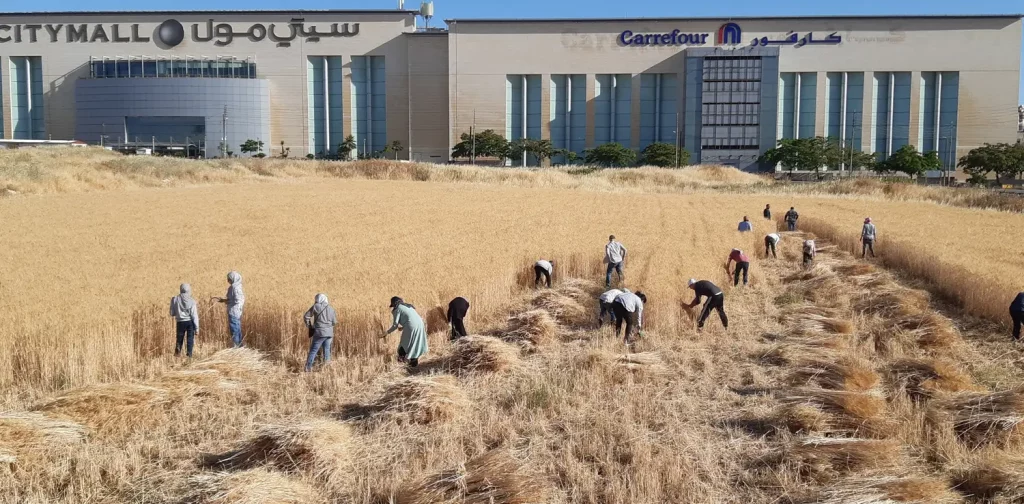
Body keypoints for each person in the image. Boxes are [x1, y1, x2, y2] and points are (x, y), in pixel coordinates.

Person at [383, 296, 428, 367]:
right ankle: (414, 364)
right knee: (415, 343)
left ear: (394, 304)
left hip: (411, 326)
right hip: (420, 324)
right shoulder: (408, 306)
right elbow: (412, 318)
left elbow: (395, 325)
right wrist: (404, 327)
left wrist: (386, 332)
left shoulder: (397, 309)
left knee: (403, 344)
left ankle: (402, 364)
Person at [303, 293, 337, 372]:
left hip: (319, 332)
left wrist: (309, 325)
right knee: (327, 350)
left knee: (314, 350)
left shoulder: (316, 306)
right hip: (329, 333)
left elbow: (306, 316)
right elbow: (334, 322)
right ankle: (327, 369)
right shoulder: (331, 308)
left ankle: (307, 369)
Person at [211, 271, 245, 348]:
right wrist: (224, 300)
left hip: (234, 311)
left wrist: (229, 302)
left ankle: (236, 346)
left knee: (234, 329)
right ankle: (240, 346)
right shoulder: (237, 286)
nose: (228, 280)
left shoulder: (234, 287)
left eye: (229, 278)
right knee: (237, 328)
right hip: (237, 311)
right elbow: (233, 299)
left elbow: (238, 300)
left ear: (233, 278)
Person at [169, 283, 200, 358]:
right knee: (190, 339)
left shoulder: (175, 299)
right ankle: (189, 356)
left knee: (179, 339)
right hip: (190, 322)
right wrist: (197, 328)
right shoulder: (192, 300)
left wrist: (178, 312)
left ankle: (177, 355)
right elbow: (194, 315)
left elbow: (172, 313)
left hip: (180, 322)